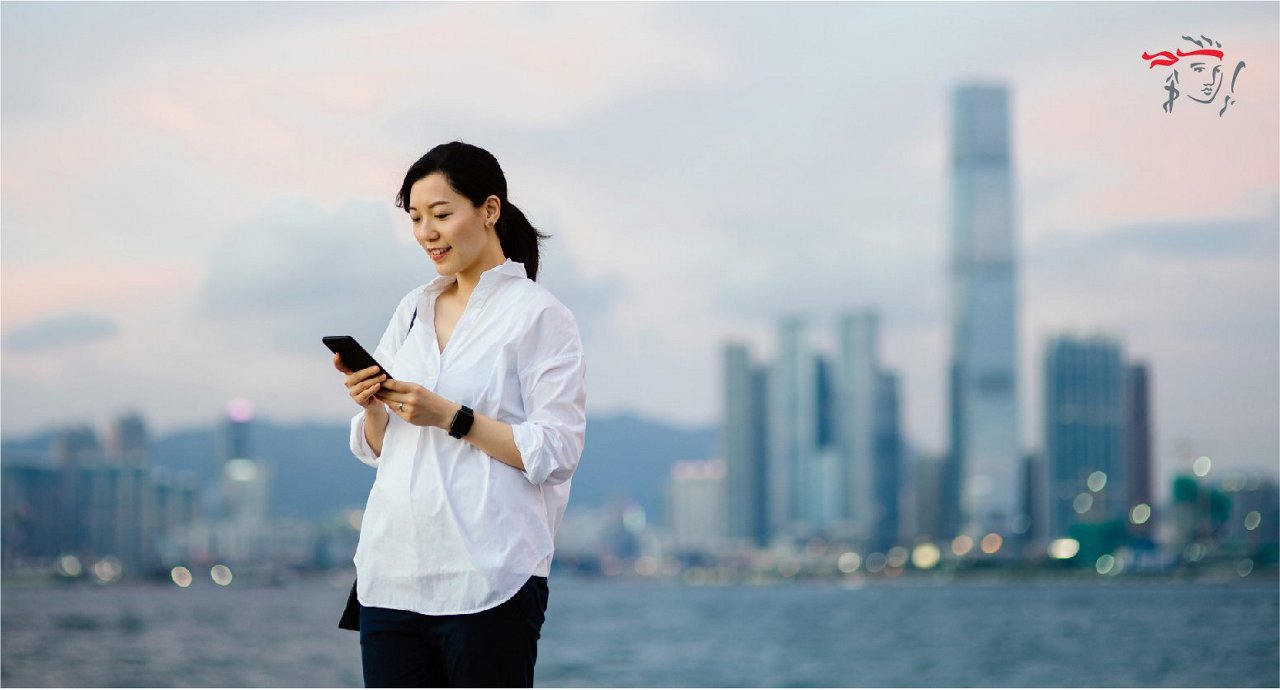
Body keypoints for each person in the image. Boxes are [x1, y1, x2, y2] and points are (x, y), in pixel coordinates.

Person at [333, 141, 587, 687]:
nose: (427, 232)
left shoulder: (539, 315)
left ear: (489, 210)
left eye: (442, 214)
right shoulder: (412, 309)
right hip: (392, 573)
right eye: (417, 218)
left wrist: (453, 417)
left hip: (488, 574)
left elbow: (557, 451)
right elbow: (379, 448)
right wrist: (373, 403)